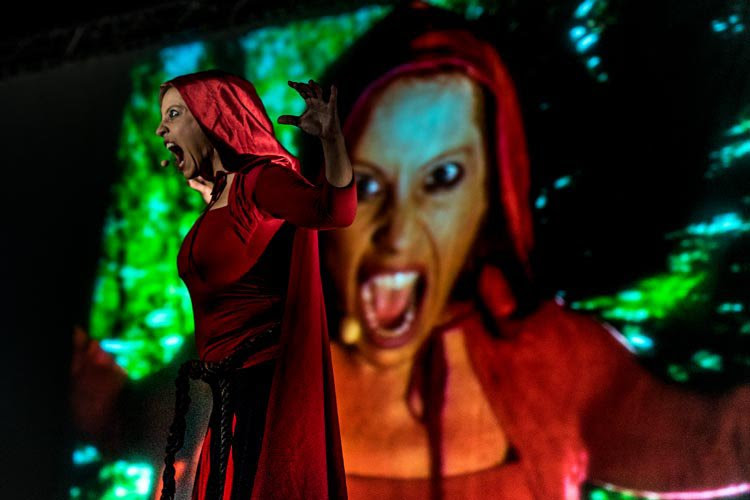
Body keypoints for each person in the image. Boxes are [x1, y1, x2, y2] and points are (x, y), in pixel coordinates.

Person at [189, 4, 750, 499]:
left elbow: (721, 443)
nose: (397, 233)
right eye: (369, 183)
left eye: (442, 178)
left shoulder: (548, 360)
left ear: (489, 200)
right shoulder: (255, 361)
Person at [154, 69, 355, 500]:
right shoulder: (221, 199)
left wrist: (332, 140)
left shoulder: (262, 181)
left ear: (212, 116)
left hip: (265, 392)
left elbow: (334, 211)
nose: (160, 129)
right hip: (230, 397)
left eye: (173, 114)